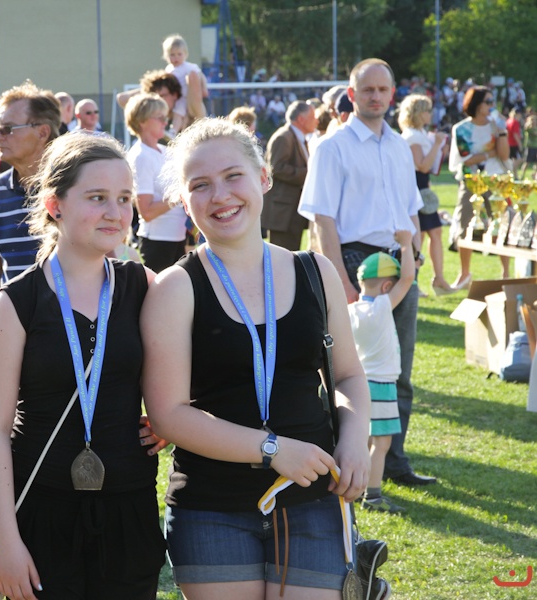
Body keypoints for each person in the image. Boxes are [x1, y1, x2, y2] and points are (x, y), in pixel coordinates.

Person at [142, 118, 370, 599]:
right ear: (183, 201)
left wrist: (354, 437)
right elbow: (168, 413)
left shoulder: (315, 271)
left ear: (263, 177)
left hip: (313, 495)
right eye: (200, 185)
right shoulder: (175, 287)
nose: (220, 196)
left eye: (233, 176)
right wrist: (272, 449)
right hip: (212, 508)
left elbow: (348, 374)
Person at [0, 133, 166, 600]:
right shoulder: (17, 301)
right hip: (42, 511)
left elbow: (188, 378)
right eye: (97, 197)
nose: (115, 212)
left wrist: (169, 419)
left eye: (124, 198)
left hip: (129, 510)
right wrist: (7, 543)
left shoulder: (144, 286)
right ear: (54, 204)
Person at [299, 58, 435, 488]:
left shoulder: (398, 146)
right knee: (347, 371)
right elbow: (322, 219)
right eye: (367, 90)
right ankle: (340, 457)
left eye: (383, 89)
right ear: (352, 94)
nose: (376, 96)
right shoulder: (332, 147)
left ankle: (393, 461)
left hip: (400, 261)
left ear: (393, 94)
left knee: (397, 367)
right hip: (356, 263)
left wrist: (415, 253)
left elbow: (411, 209)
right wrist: (341, 280)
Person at [0, 80, 61, 311]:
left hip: (71, 323)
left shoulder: (72, 185)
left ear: (42, 132)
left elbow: (103, 256)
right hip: (14, 323)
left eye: (7, 129)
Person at [349, 236, 414, 514]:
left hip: (360, 385)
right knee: (382, 443)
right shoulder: (382, 307)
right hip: (382, 385)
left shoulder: (351, 311)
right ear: (387, 286)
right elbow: (408, 277)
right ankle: (373, 496)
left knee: (363, 440)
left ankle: (356, 487)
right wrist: (407, 245)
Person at [447, 86, 511, 289]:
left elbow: (504, 155)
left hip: (496, 181)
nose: (492, 106)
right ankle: (464, 273)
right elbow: (467, 158)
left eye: (493, 101)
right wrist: (489, 154)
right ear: (476, 104)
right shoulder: (461, 128)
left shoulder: (496, 126)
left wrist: (502, 132)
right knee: (465, 223)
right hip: (471, 182)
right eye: (488, 102)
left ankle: (506, 273)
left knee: (501, 225)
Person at [398, 94, 454, 295]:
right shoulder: (412, 136)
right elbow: (422, 165)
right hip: (416, 187)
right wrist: (437, 145)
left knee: (435, 232)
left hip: (422, 186)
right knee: (418, 236)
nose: (430, 114)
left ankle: (438, 278)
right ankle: (413, 282)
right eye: (427, 111)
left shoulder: (420, 133)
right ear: (418, 113)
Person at [125, 93, 187, 272]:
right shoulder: (141, 156)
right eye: (159, 117)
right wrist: (179, 195)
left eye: (165, 117)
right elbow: (147, 212)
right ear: (142, 121)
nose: (165, 122)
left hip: (178, 238)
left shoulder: (166, 150)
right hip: (157, 242)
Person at [261, 100, 317, 251]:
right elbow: (277, 168)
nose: (316, 120)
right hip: (283, 214)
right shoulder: (284, 137)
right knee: (282, 257)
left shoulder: (296, 137)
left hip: (291, 212)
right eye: (313, 116)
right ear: (301, 119)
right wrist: (309, 174)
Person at [162, 33, 207, 133]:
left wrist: (204, 88)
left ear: (185, 54)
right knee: (180, 114)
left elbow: (200, 76)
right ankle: (176, 130)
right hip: (178, 97)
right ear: (166, 56)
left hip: (187, 96)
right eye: (172, 55)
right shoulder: (169, 69)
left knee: (179, 112)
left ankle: (174, 130)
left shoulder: (189, 67)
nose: (176, 58)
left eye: (179, 54)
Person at [520, 113, 537, 179]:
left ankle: (534, 175)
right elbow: (534, 133)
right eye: (532, 120)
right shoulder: (528, 128)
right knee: (527, 162)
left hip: (536, 147)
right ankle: (522, 175)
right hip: (530, 147)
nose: (534, 121)